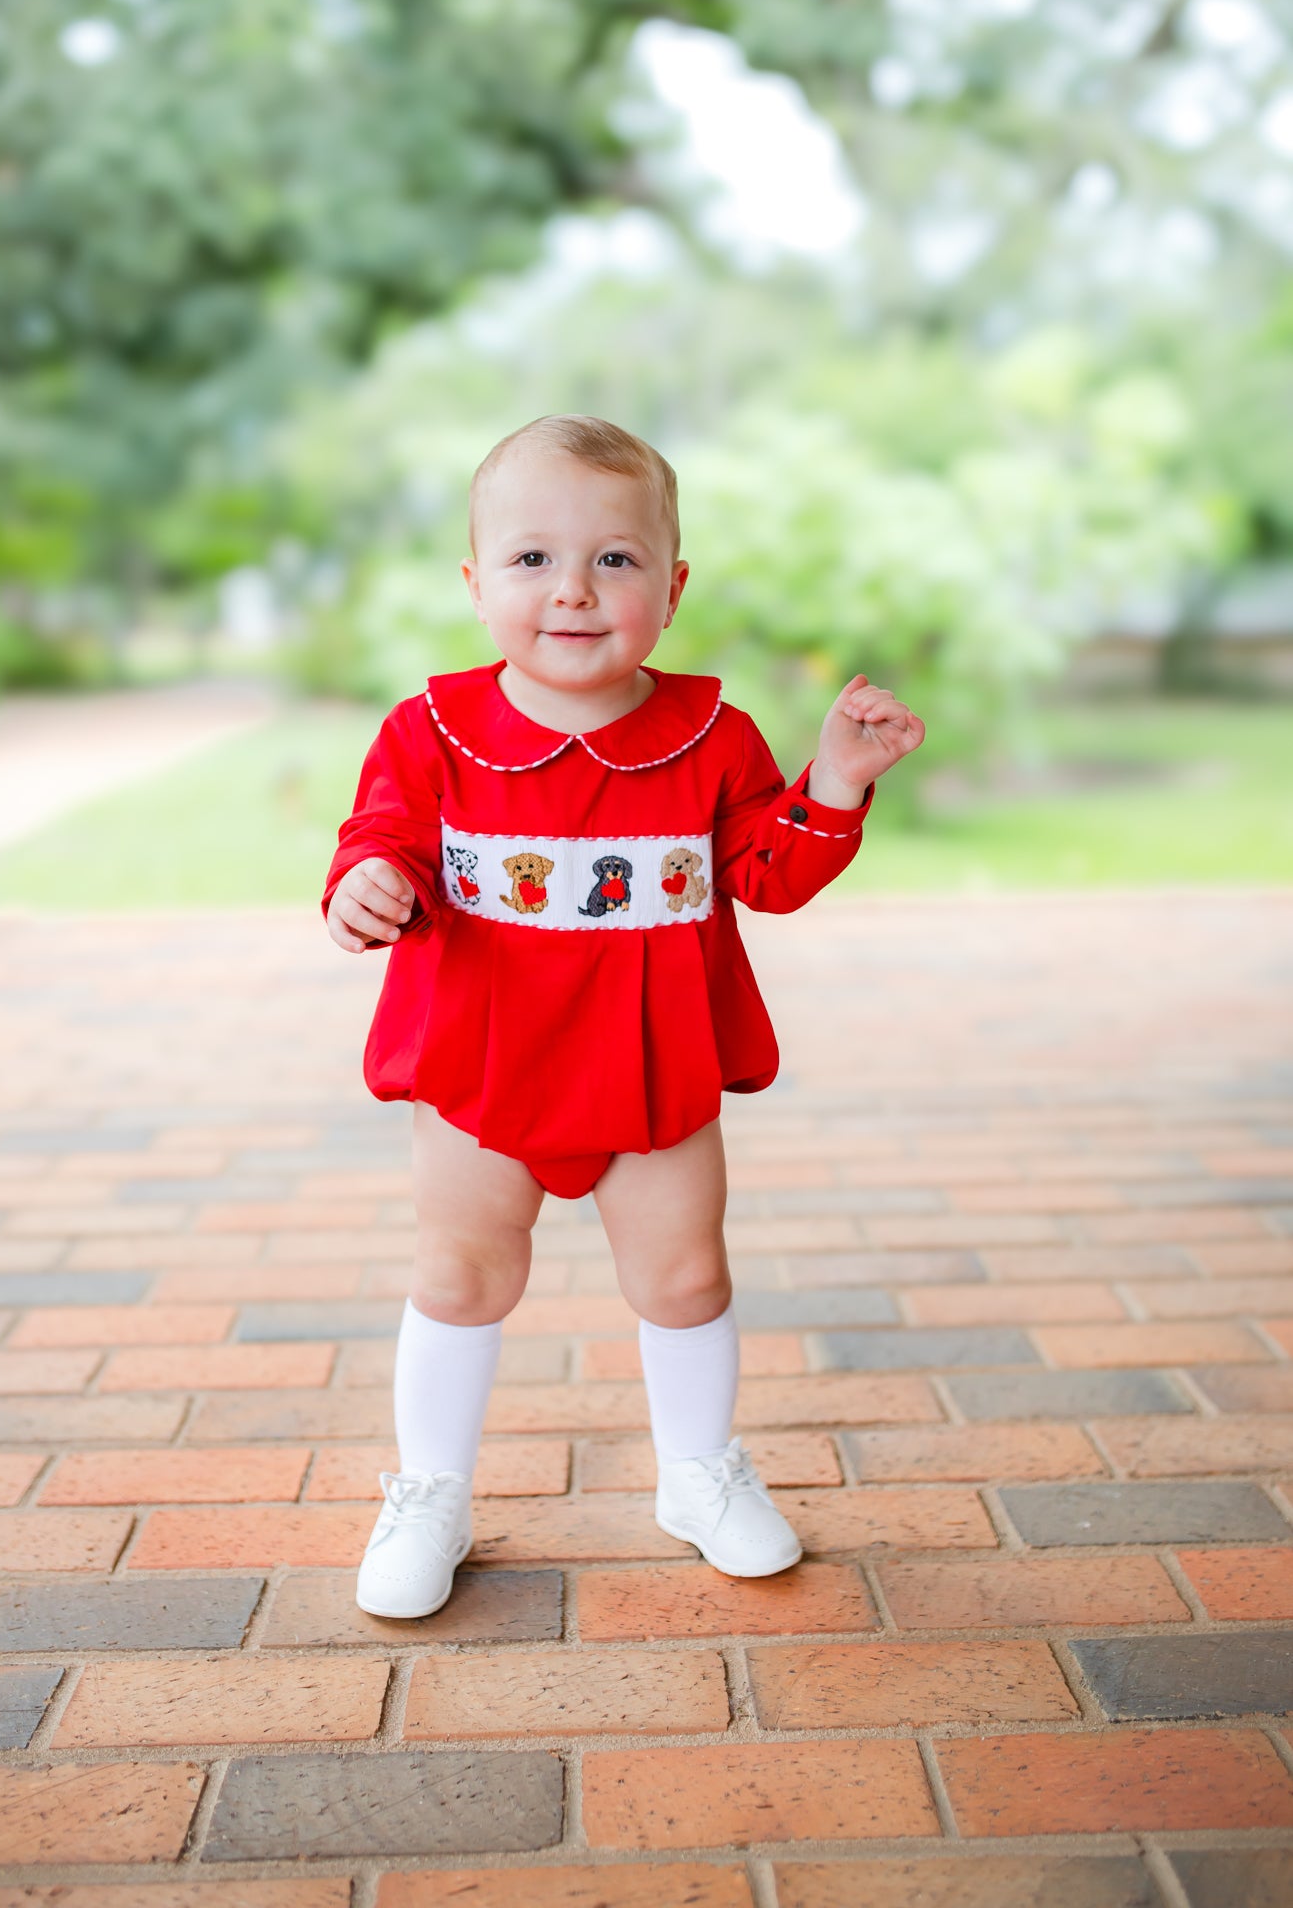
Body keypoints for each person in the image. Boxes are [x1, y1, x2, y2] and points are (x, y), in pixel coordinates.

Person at [323, 414, 925, 1618]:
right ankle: (430, 1487)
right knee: (458, 1270)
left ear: (671, 583)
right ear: (477, 582)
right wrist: (364, 887)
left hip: (653, 1073)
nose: (576, 591)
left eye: (616, 558)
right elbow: (378, 834)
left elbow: (766, 871)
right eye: (533, 559)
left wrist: (838, 782)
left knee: (688, 1274)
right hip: (481, 1069)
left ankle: (698, 1473)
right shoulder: (432, 729)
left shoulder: (712, 733)